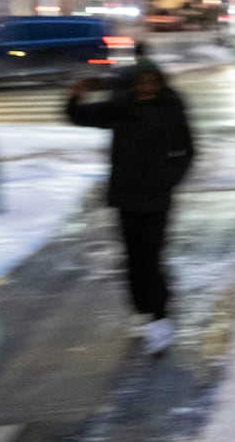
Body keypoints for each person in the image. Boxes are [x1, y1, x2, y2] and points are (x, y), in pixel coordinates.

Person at [66, 58, 195, 355]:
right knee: (133, 258)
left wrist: (168, 179)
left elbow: (188, 150)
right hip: (125, 196)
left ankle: (159, 317)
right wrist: (76, 94)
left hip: (157, 197)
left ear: (160, 83)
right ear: (134, 84)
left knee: (150, 257)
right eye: (142, 83)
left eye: (152, 82)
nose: (147, 88)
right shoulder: (121, 106)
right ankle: (142, 309)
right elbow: (78, 116)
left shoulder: (171, 106)